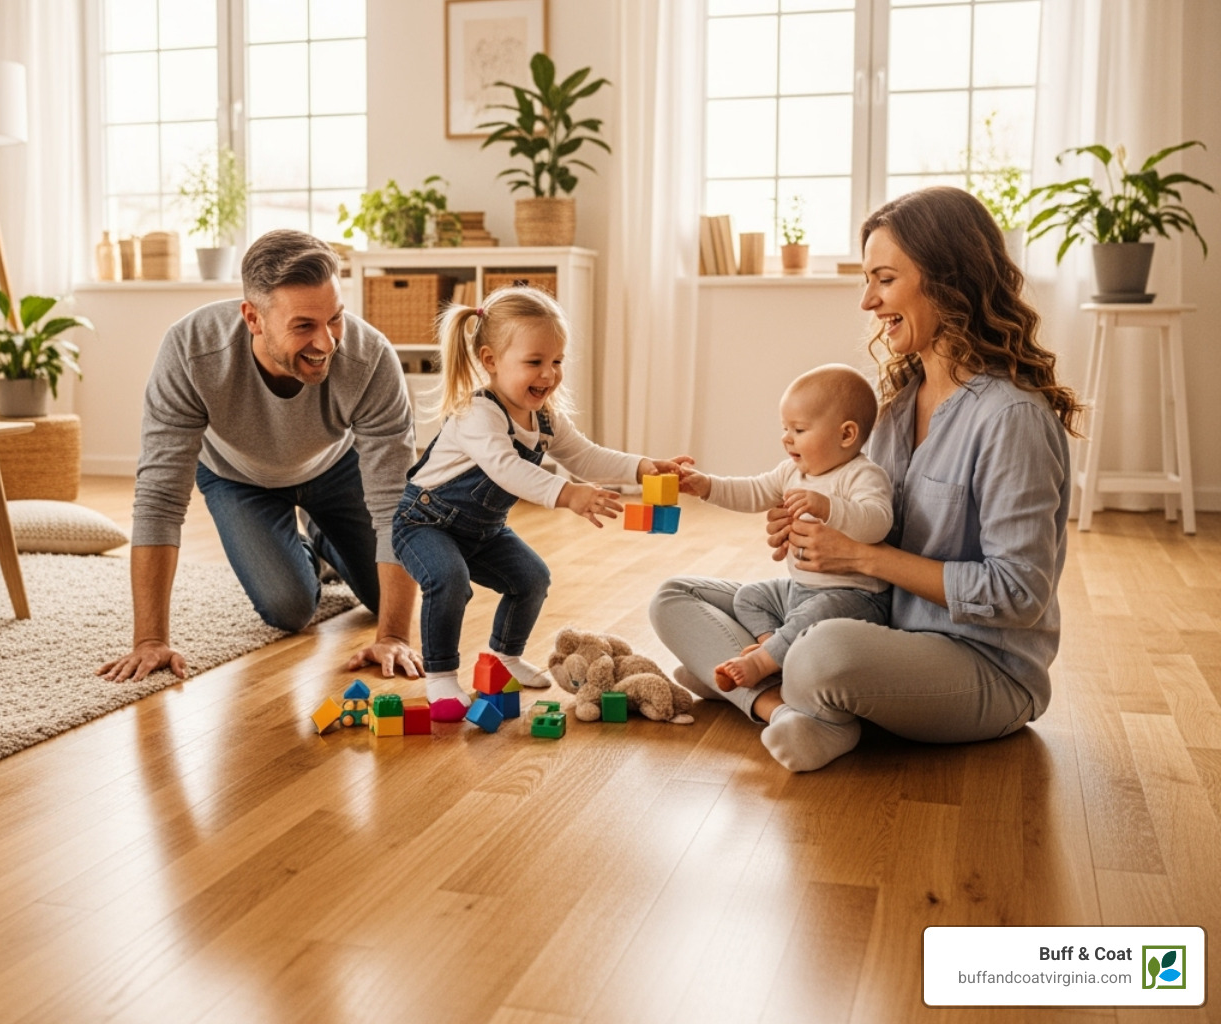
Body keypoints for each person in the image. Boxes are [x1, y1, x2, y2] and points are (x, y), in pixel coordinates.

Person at [651, 186, 1079, 772]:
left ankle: (754, 689)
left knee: (821, 650)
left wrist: (861, 557)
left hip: (984, 668)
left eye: (883, 279)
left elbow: (1019, 594)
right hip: (880, 624)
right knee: (676, 597)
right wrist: (813, 531)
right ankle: (781, 711)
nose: (867, 302)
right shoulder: (899, 407)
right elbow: (871, 521)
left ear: (947, 279)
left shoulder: (1012, 418)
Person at [97, 230, 423, 683]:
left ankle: (326, 539)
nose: (327, 342)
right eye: (304, 325)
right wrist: (150, 640)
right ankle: (305, 554)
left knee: (384, 598)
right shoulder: (192, 352)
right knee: (290, 609)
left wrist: (394, 636)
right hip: (237, 477)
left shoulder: (370, 360)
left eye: (335, 319)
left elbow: (395, 508)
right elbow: (159, 500)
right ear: (253, 318)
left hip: (336, 468)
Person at [394, 287, 690, 719]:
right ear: (491, 360)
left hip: (482, 530)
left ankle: (503, 657)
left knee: (531, 578)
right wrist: (568, 494)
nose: (549, 374)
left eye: (557, 362)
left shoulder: (546, 416)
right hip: (425, 522)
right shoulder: (478, 413)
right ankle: (440, 675)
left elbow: (586, 455)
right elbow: (504, 467)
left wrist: (644, 467)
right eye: (535, 362)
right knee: (449, 579)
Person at [673, 363, 892, 692]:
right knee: (749, 597)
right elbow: (751, 491)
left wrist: (829, 507)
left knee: (818, 613)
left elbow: (877, 522)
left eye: (799, 430)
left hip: (855, 596)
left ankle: (762, 662)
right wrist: (705, 486)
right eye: (785, 428)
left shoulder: (863, 475)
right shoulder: (791, 472)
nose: (786, 438)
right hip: (801, 589)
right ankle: (774, 645)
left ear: (846, 434)